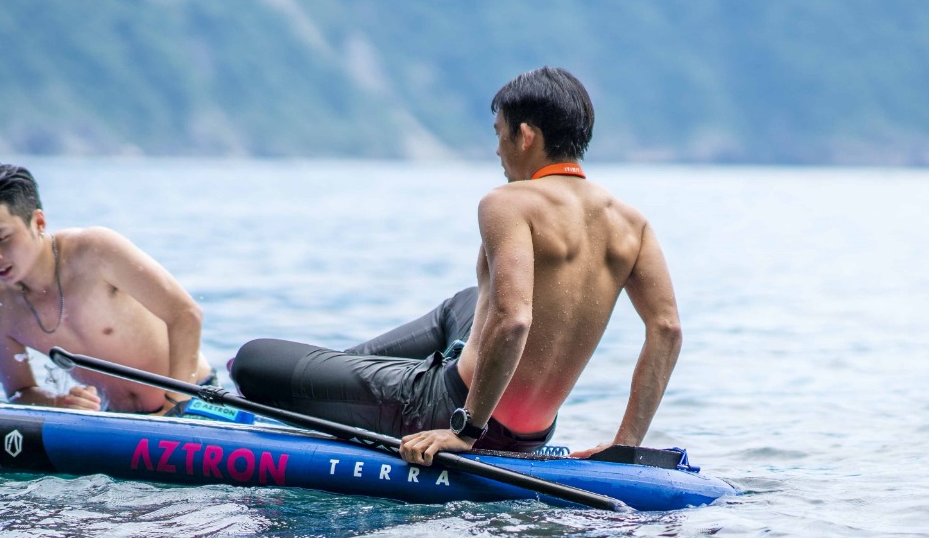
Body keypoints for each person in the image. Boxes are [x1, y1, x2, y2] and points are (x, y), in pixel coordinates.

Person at [230, 67, 684, 465]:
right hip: (533, 431)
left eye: (498, 134)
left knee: (251, 362)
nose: (497, 151)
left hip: (447, 406)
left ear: (525, 136)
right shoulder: (631, 222)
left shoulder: (508, 203)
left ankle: (329, 381)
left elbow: (513, 320)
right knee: (466, 303)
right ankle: (338, 373)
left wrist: (465, 431)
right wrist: (626, 444)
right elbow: (667, 330)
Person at [0, 163, 215, 414]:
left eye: (2, 238)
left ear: (39, 222)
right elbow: (18, 392)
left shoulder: (95, 251)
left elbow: (186, 314)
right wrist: (58, 403)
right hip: (114, 418)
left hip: (192, 401)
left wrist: (174, 408)